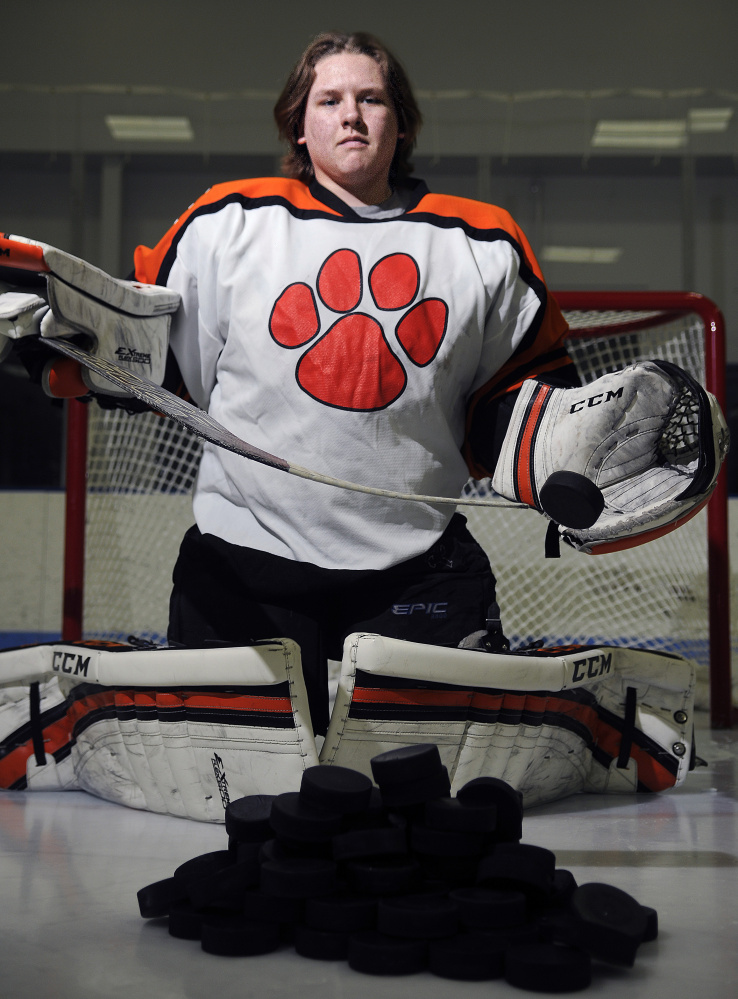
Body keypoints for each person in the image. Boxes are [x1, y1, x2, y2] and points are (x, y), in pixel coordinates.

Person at [132, 31, 579, 736]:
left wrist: (572, 458)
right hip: (245, 561)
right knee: (241, 787)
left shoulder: (483, 243)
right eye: (330, 99)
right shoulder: (227, 223)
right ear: (298, 126)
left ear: (400, 123)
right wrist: (71, 348)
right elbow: (148, 355)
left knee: (428, 788)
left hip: (414, 562)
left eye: (372, 98)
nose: (352, 115)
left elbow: (523, 397)